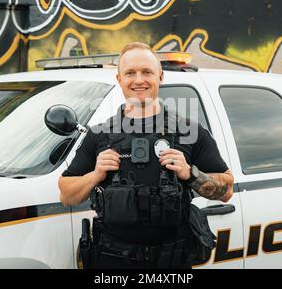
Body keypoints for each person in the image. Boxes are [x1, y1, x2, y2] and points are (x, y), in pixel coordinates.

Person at [58, 42, 234, 269]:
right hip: (114, 262)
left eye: (147, 72)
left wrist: (190, 173)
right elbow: (66, 195)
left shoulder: (190, 132)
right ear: (119, 78)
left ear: (160, 76)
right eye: (130, 73)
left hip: (172, 263)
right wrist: (95, 175)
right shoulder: (99, 134)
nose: (139, 80)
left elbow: (227, 191)